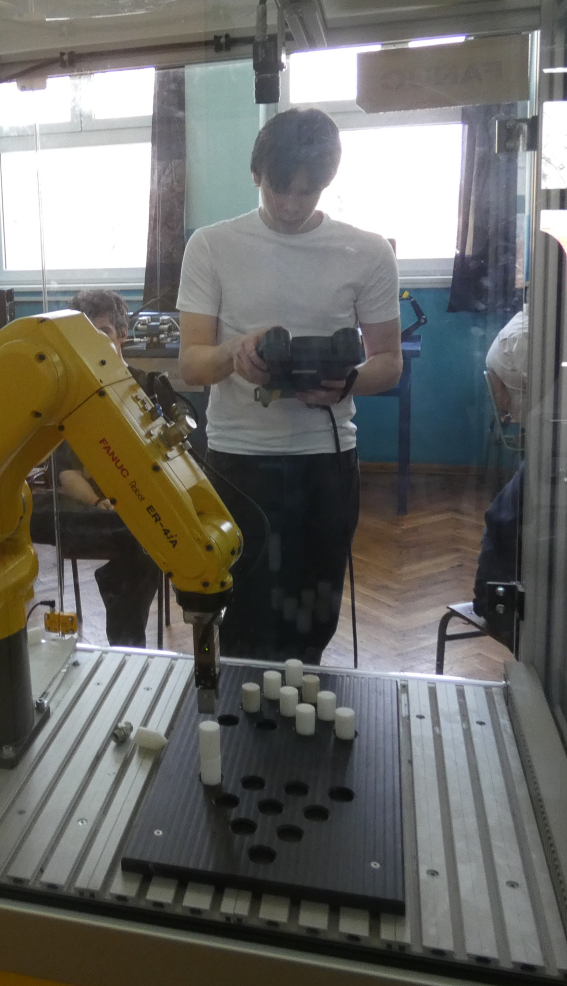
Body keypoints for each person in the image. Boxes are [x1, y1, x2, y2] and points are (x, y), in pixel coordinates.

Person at [177, 107, 402, 662]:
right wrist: (235, 353)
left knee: (313, 619)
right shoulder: (211, 245)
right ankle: (244, 711)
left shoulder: (368, 251)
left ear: (328, 182)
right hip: (239, 458)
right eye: (280, 189)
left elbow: (390, 363)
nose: (292, 205)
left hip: (324, 460)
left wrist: (347, 381)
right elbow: (192, 366)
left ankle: (302, 700)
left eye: (308, 192)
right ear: (256, 174)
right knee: (244, 616)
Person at [49, 290, 165, 647]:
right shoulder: (72, 395)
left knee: (143, 539)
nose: (96, 343)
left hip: (142, 507)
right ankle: (127, 640)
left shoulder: (148, 387)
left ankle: (125, 638)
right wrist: (98, 502)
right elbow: (66, 472)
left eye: (104, 333)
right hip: (92, 508)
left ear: (122, 335)